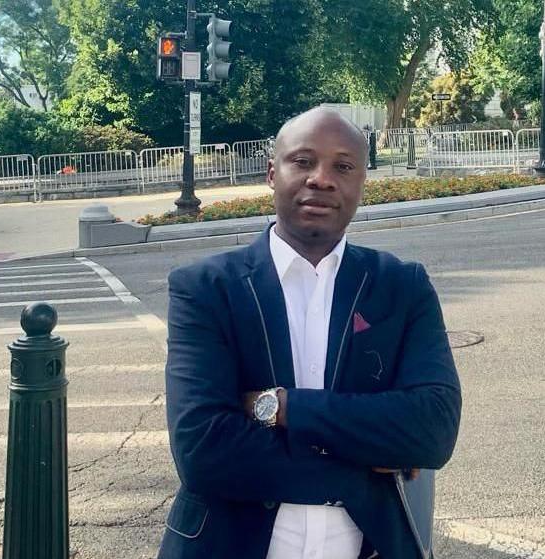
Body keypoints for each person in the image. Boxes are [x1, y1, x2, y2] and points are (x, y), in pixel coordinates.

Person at [158, 107, 462, 559]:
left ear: (362, 182)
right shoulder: (206, 290)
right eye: (302, 161)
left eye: (342, 166)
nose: (321, 178)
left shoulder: (401, 286)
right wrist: (363, 461)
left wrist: (282, 407)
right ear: (271, 173)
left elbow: (433, 430)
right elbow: (204, 452)